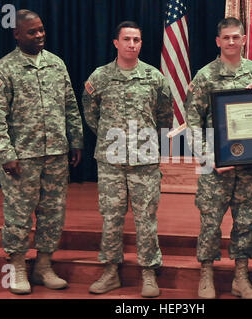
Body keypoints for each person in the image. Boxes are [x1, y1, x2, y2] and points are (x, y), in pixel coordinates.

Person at [0, 9, 84, 295]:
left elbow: (70, 105)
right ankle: (16, 266)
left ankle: (43, 265)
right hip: (22, 157)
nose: (39, 35)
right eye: (32, 31)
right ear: (16, 34)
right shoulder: (4, 69)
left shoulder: (56, 64)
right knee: (19, 214)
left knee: (53, 212)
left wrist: (76, 140)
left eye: (41, 30)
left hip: (55, 154)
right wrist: (6, 153)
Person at [184, 17, 252, 299]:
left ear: (244, 39)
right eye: (227, 38)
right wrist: (209, 158)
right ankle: (206, 275)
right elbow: (192, 122)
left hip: (248, 166)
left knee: (246, 220)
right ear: (218, 41)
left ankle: (241, 276)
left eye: (237, 37)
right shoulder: (205, 75)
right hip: (215, 167)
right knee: (210, 221)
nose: (232, 42)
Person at [82, 21, 173, 298]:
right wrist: (113, 139)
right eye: (127, 39)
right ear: (116, 43)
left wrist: (140, 141)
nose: (132, 44)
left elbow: (164, 116)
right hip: (111, 160)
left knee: (146, 218)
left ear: (141, 44)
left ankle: (148, 271)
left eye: (136, 40)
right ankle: (110, 270)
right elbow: (90, 113)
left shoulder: (154, 77)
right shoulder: (99, 77)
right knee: (111, 217)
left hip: (144, 160)